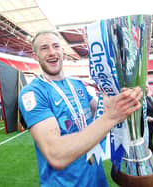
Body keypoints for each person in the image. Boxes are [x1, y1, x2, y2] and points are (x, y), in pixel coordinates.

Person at [18, 31, 143, 187]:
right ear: (35, 55)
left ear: (62, 51)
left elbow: (103, 110)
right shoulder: (33, 93)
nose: (52, 52)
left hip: (97, 180)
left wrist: (128, 91)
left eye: (56, 46)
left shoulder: (77, 84)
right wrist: (110, 117)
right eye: (44, 48)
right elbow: (55, 153)